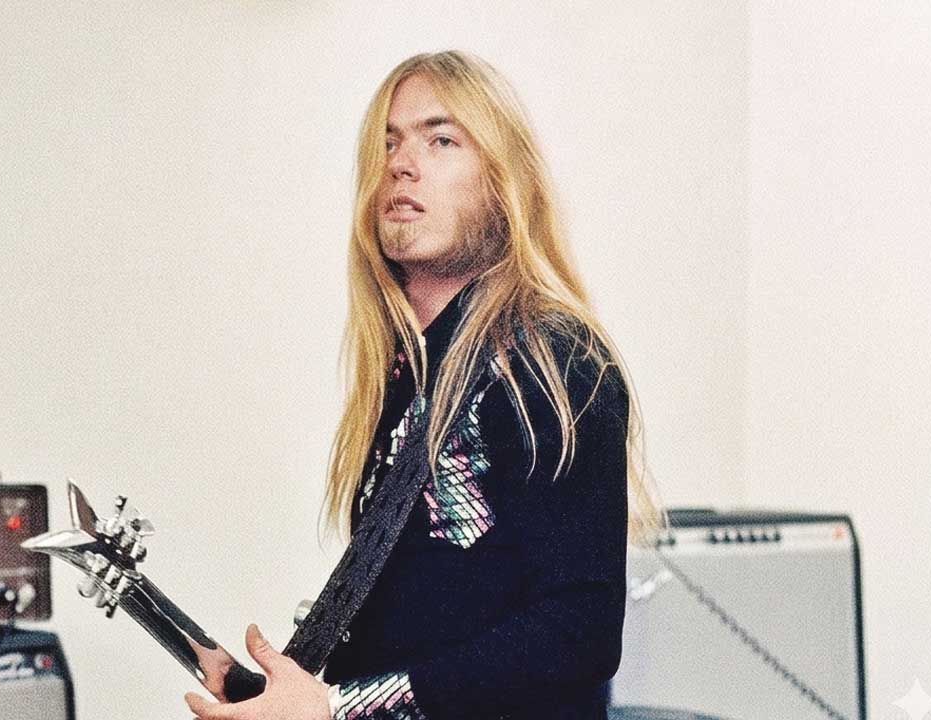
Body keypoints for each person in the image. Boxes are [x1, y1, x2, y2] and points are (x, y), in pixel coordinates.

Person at [185, 50, 666, 720]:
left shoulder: (553, 360)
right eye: (390, 142)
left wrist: (338, 709)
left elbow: (578, 631)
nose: (401, 163)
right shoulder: (410, 373)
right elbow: (421, 628)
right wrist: (277, 698)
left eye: (441, 140)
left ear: (503, 181)